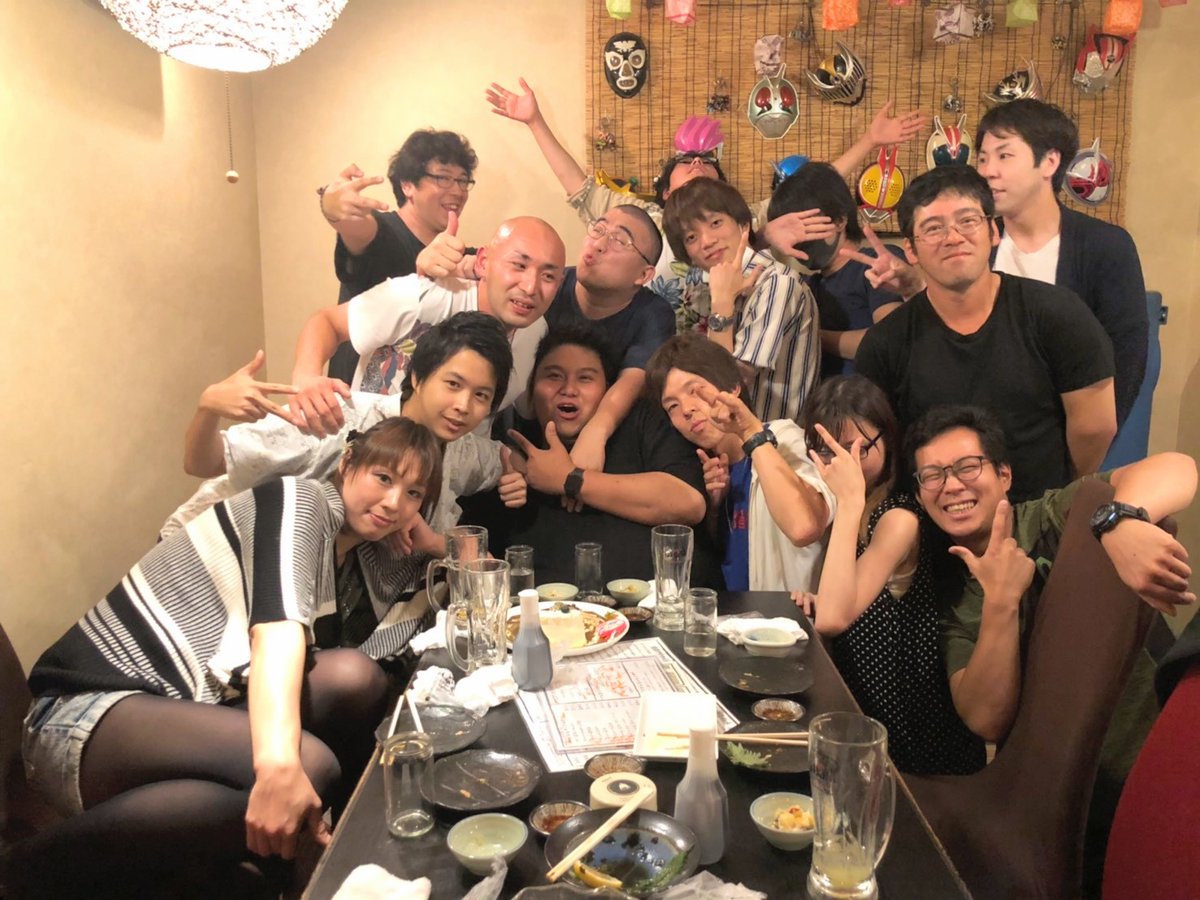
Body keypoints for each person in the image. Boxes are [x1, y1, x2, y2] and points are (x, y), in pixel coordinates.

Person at [17, 419, 443, 898]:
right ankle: (22, 870)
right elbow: (276, 633)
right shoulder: (298, 502)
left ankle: (318, 870)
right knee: (309, 765)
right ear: (347, 464)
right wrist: (279, 767)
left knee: (353, 680)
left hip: (184, 716)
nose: (394, 503)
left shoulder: (356, 557)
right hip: (83, 715)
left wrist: (437, 545)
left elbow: (404, 623)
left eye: (413, 494)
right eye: (383, 478)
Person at [908, 404, 1196, 891]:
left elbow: (1178, 467)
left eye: (967, 467)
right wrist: (1001, 601)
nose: (951, 485)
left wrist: (1117, 520)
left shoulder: (1049, 518)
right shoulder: (952, 593)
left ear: (1004, 475)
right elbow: (984, 718)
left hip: (1150, 770)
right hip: (1048, 800)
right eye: (932, 475)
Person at [170, 314, 526, 613]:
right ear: (417, 377)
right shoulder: (338, 417)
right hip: (212, 563)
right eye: (453, 384)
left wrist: (520, 475)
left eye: (481, 395)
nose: (463, 406)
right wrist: (209, 407)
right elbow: (204, 463)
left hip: (313, 597)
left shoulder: (461, 451)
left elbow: (512, 460)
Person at [484, 77, 924, 307]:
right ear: (664, 189)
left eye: (706, 163)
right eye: (686, 161)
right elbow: (579, 187)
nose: (697, 165)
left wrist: (870, 141)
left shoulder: (742, 219)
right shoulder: (639, 219)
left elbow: (813, 187)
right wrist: (535, 122)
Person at [854, 166, 1117, 501]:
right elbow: (879, 454)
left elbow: (1096, 427)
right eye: (933, 228)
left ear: (993, 231)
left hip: (1037, 517)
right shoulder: (885, 344)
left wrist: (1058, 503)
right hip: (931, 520)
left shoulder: (1057, 314)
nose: (953, 237)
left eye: (968, 221)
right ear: (910, 250)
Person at [788, 377, 984, 775]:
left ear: (888, 441)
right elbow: (842, 602)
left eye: (860, 448)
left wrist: (848, 500)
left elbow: (833, 620)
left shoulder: (898, 516)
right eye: (829, 450)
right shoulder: (860, 505)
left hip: (909, 733)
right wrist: (821, 599)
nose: (846, 462)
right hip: (863, 709)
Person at [415, 204, 675, 474]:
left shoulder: (652, 313)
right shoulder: (545, 285)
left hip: (606, 444)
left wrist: (596, 432)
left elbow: (634, 379)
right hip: (516, 434)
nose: (598, 244)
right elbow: (479, 268)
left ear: (643, 275)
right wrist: (434, 265)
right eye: (598, 229)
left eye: (620, 240)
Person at [460, 325, 711, 585]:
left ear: (607, 390)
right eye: (553, 376)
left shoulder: (642, 423)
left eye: (585, 378)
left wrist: (571, 479)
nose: (569, 389)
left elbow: (689, 504)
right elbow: (467, 538)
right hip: (541, 607)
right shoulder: (509, 451)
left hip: (653, 603)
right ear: (531, 391)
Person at [289, 216, 566, 438]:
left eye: (548, 276)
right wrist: (305, 377)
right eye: (519, 265)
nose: (531, 287)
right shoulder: (425, 297)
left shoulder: (536, 333)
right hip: (365, 452)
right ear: (483, 263)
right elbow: (328, 322)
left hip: (445, 476)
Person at [975, 100, 1147, 431]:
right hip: (980, 433)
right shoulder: (978, 243)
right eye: (982, 158)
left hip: (1067, 433)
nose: (987, 171)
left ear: (1049, 162)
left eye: (1004, 156)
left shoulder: (1105, 246)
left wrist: (1091, 445)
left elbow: (1128, 358)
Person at [646, 334, 832, 592]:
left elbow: (804, 528)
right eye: (672, 406)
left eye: (695, 391)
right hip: (730, 613)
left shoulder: (784, 439)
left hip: (786, 614)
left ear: (733, 386)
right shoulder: (706, 469)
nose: (686, 409)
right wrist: (715, 509)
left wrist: (751, 434)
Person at [662, 178, 820, 423]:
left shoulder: (776, 283)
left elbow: (728, 384)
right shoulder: (711, 290)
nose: (707, 241)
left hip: (771, 437)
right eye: (691, 237)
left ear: (744, 225)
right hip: (730, 435)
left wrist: (722, 304)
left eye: (715, 223)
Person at [766, 162, 911, 378]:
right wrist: (764, 236)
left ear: (840, 220)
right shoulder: (807, 285)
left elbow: (889, 342)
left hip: (871, 396)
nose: (799, 239)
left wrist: (810, 335)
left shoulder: (876, 262)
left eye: (807, 227)